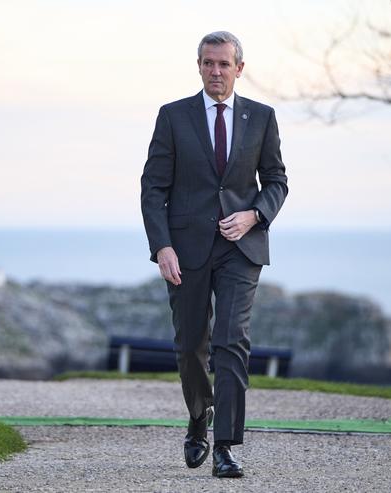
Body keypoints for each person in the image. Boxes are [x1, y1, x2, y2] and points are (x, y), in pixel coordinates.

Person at [140, 31, 288, 478]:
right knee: (190, 346)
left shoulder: (262, 117)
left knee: (230, 342)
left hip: (241, 249)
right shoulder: (173, 116)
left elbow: (277, 181)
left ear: (239, 68)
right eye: (208, 63)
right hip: (185, 250)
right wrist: (162, 246)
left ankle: (225, 444)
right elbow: (153, 189)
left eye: (224, 64)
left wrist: (254, 216)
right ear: (199, 66)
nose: (216, 71)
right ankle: (197, 415)